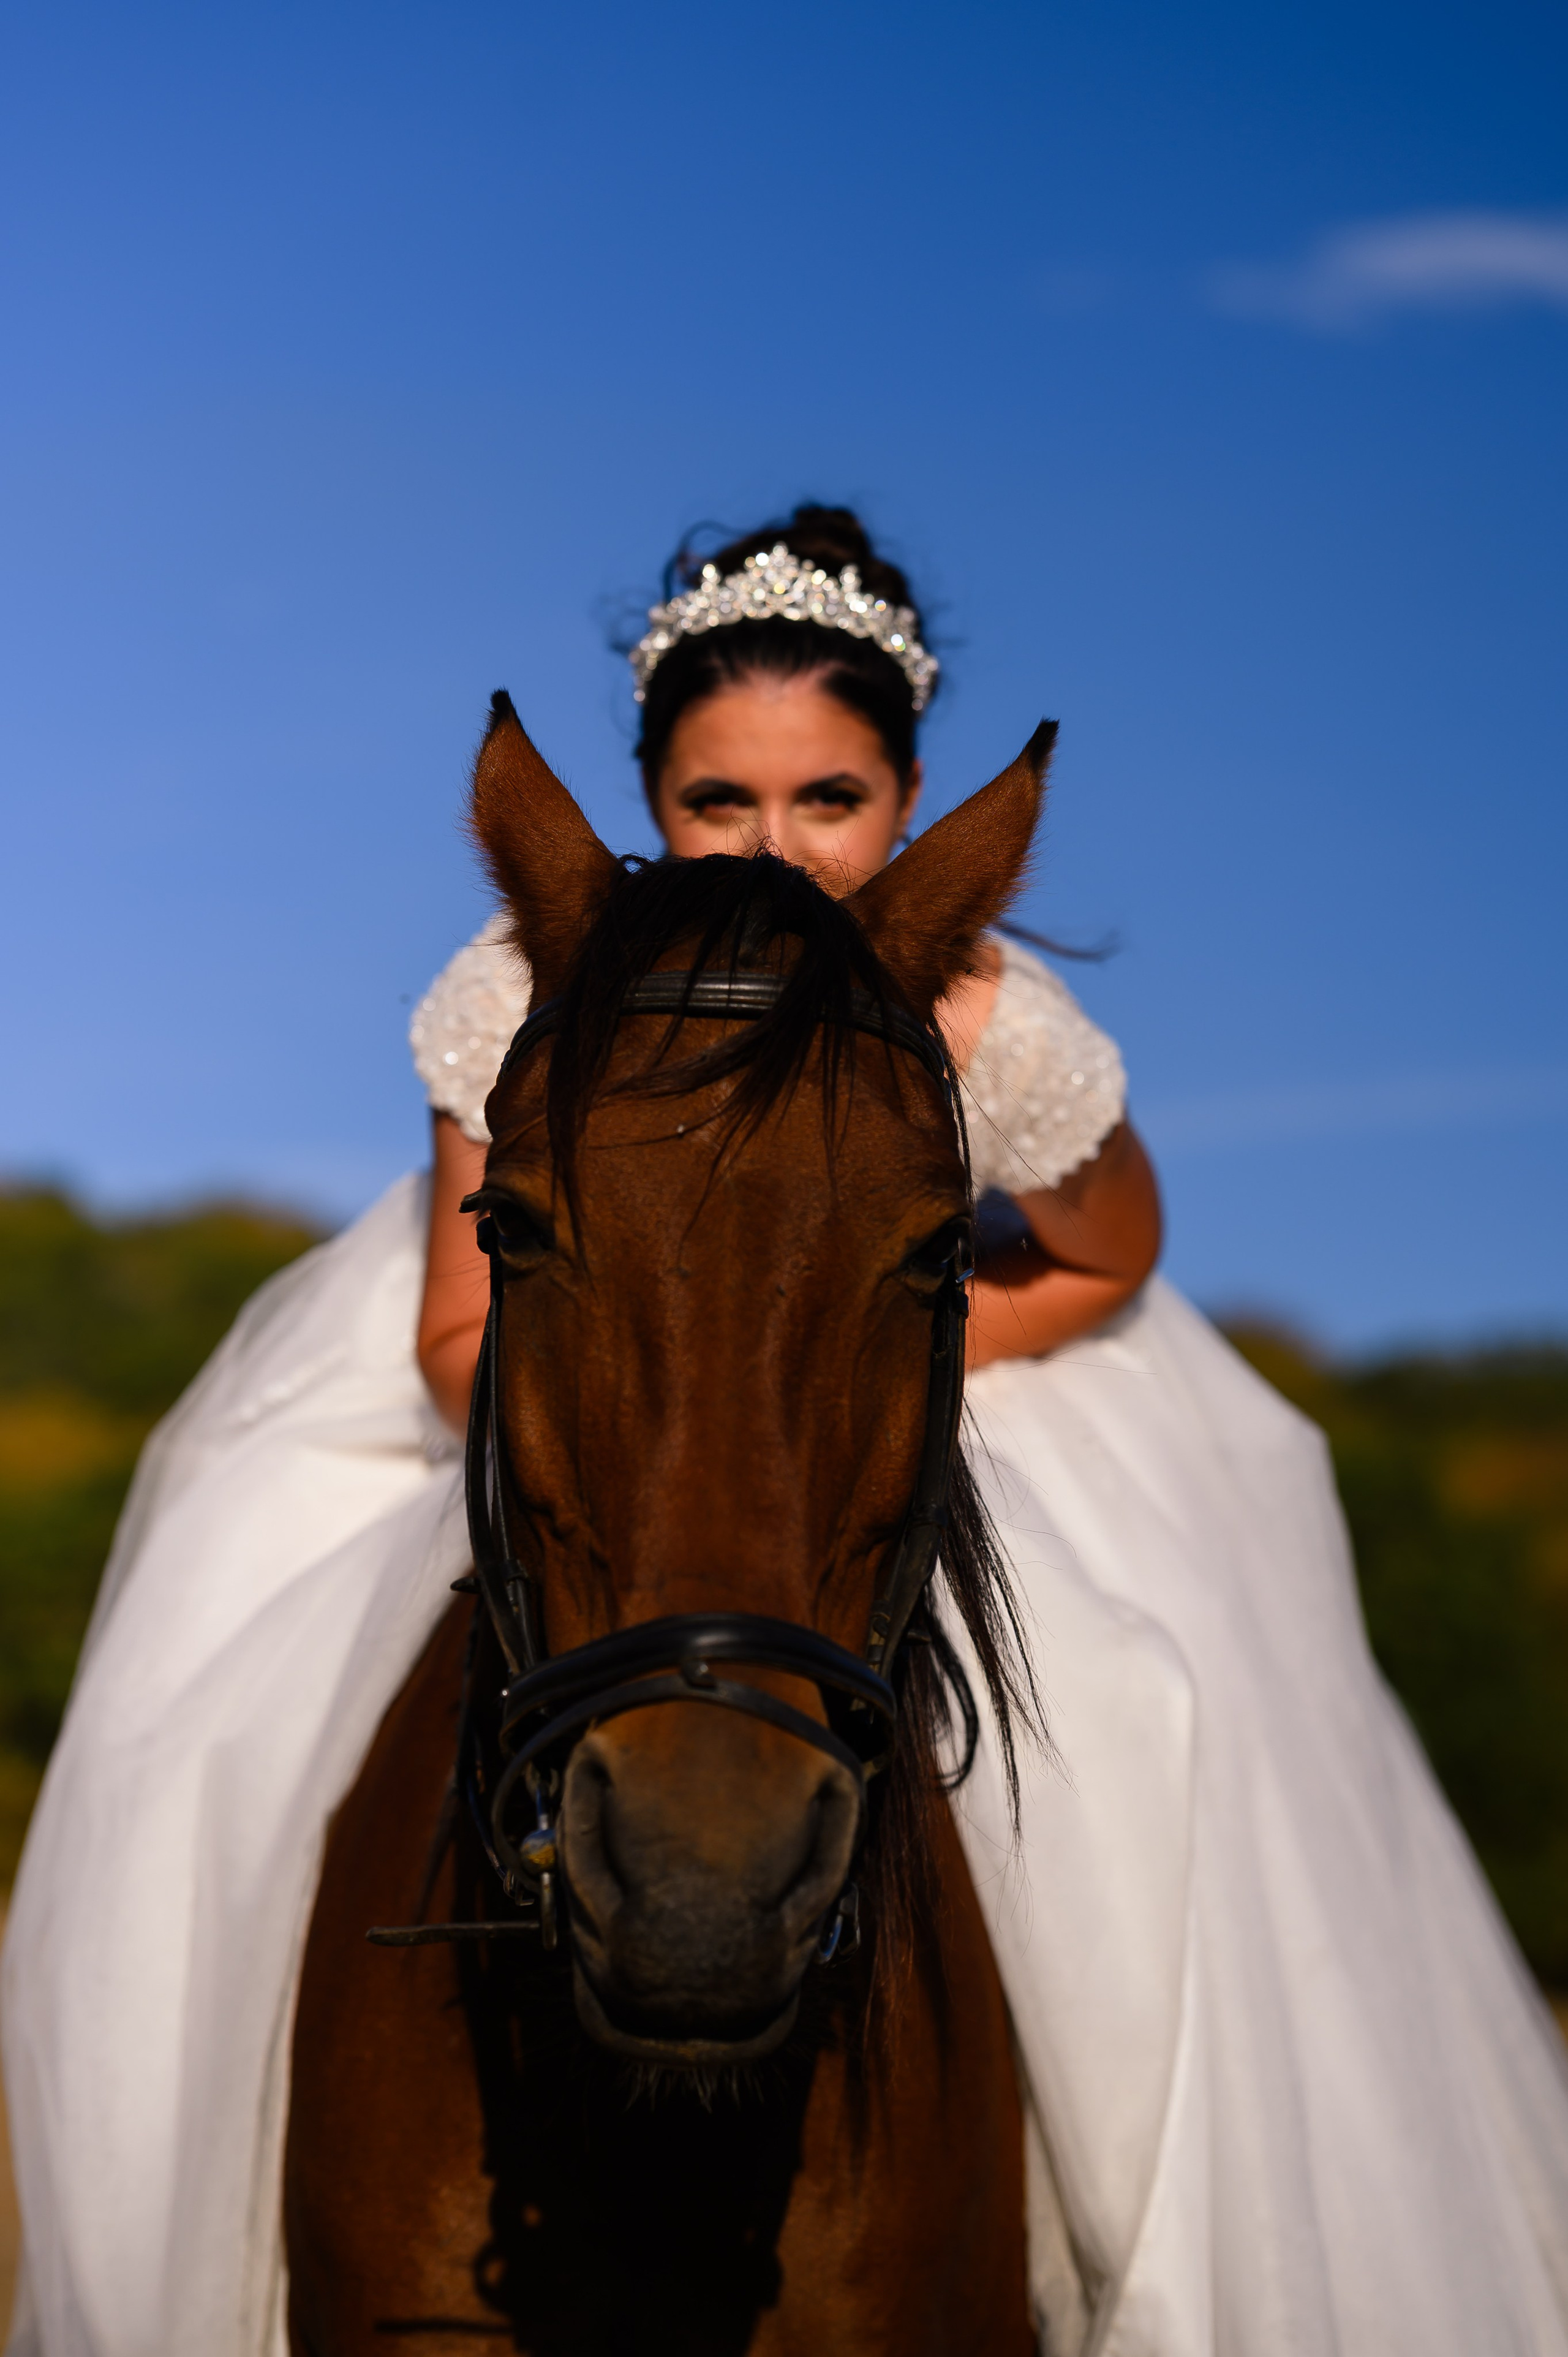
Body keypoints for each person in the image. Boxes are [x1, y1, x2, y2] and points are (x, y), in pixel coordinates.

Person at [5, 507, 1567, 2357]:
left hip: (919, 1383)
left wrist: (858, 1358)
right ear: (648, 801)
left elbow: (1110, 1253)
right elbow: (450, 1331)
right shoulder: (525, 985)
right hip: (590, 1381)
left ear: (905, 798)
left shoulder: (972, 1000)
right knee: (222, 1732)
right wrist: (668, 1381)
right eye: (717, 801)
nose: (775, 844)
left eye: (829, 798)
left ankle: (1139, 2246)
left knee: (1131, 1729)